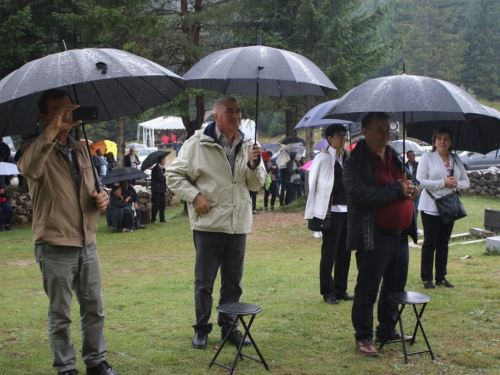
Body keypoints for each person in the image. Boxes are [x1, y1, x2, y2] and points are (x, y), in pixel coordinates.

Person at [17, 88, 119, 375]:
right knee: (60, 313)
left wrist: (103, 198)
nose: (66, 114)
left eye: (69, 109)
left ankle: (96, 362)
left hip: (87, 240)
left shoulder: (81, 148)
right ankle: (65, 368)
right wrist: (52, 130)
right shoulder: (33, 148)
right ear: (43, 117)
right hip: (55, 242)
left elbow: (92, 188)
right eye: (58, 111)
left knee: (94, 308)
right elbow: (28, 168)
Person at [166, 96, 266, 349]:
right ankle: (201, 329)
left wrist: (255, 166)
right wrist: (194, 196)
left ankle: (229, 328)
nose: (236, 116)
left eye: (239, 111)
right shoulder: (197, 144)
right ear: (216, 117)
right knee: (205, 281)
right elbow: (173, 175)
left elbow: (256, 185)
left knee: (233, 282)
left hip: (238, 223)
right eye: (230, 111)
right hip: (209, 223)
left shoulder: (249, 145)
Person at [343, 112, 417, 357]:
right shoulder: (356, 161)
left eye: (388, 129)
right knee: (368, 289)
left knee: (395, 286)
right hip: (373, 235)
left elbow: (408, 179)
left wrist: (412, 186)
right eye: (379, 129)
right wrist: (396, 189)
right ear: (364, 131)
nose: (386, 134)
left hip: (400, 235)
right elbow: (359, 194)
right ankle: (363, 337)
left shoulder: (393, 154)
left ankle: (386, 329)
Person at [305, 124, 353, 305]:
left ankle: (341, 289)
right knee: (329, 252)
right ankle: (328, 291)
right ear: (330, 138)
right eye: (339, 135)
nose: (343, 138)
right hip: (330, 211)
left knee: (345, 252)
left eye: (344, 134)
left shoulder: (347, 157)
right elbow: (321, 185)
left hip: (347, 210)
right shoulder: (324, 158)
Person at [417, 128, 469, 289]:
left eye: (446, 139)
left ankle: (441, 276)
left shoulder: (455, 159)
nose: (442, 141)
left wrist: (455, 184)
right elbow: (420, 181)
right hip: (431, 206)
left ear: (451, 142)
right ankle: (427, 278)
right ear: (434, 141)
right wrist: (443, 183)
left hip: (449, 207)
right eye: (439, 138)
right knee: (430, 242)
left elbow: (466, 182)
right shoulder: (428, 157)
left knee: (443, 243)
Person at [151, 155, 168, 223]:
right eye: (164, 160)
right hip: (156, 189)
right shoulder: (155, 169)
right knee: (156, 204)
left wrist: (164, 176)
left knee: (162, 204)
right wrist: (164, 177)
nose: (165, 162)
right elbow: (160, 178)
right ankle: (153, 219)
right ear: (161, 161)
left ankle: (162, 218)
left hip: (162, 189)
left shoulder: (163, 169)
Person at [405, 150, 421, 217]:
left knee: (416, 208)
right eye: (411, 155)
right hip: (408, 189)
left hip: (417, 188)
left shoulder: (418, 165)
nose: (412, 157)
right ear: (407, 156)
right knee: (408, 208)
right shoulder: (404, 166)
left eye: (413, 155)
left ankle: (415, 225)